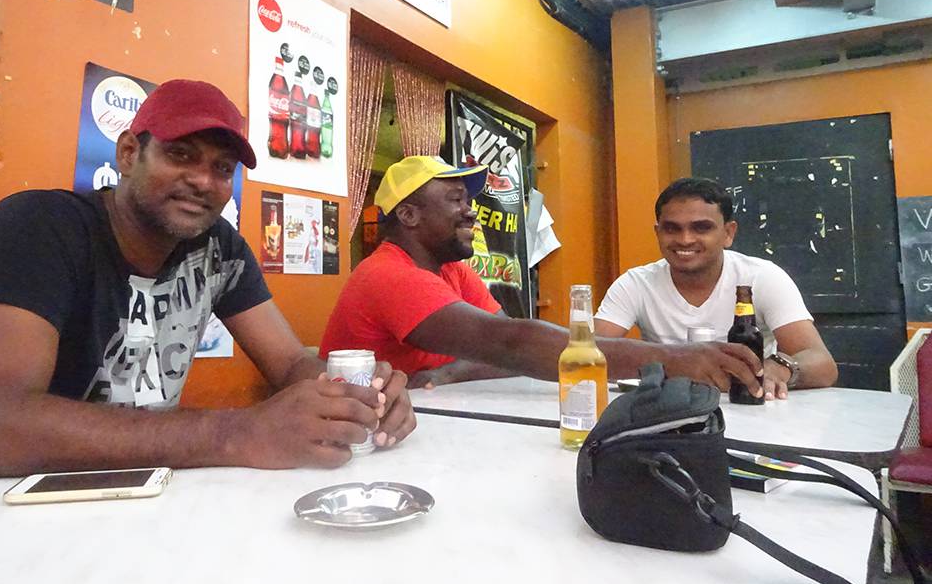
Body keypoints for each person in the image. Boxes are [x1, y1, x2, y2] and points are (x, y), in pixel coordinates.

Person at [0, 80, 415, 489]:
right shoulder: (39, 226)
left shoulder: (218, 247)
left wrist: (355, 398)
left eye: (223, 169)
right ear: (128, 153)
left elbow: (288, 361)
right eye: (181, 154)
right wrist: (237, 433)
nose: (204, 181)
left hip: (133, 502)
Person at [320, 156, 766, 393]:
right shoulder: (388, 275)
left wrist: (455, 372)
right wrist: (675, 360)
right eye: (455, 199)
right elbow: (510, 344)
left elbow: (502, 345)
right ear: (410, 214)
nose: (470, 210)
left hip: (434, 416)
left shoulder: (452, 269)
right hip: (368, 439)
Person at [594, 177, 838, 400]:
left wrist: (783, 367)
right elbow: (589, 352)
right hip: (667, 414)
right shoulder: (636, 283)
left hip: (753, 410)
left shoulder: (762, 277)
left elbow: (822, 364)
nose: (685, 239)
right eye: (672, 228)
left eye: (701, 228)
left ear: (728, 233)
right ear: (657, 233)